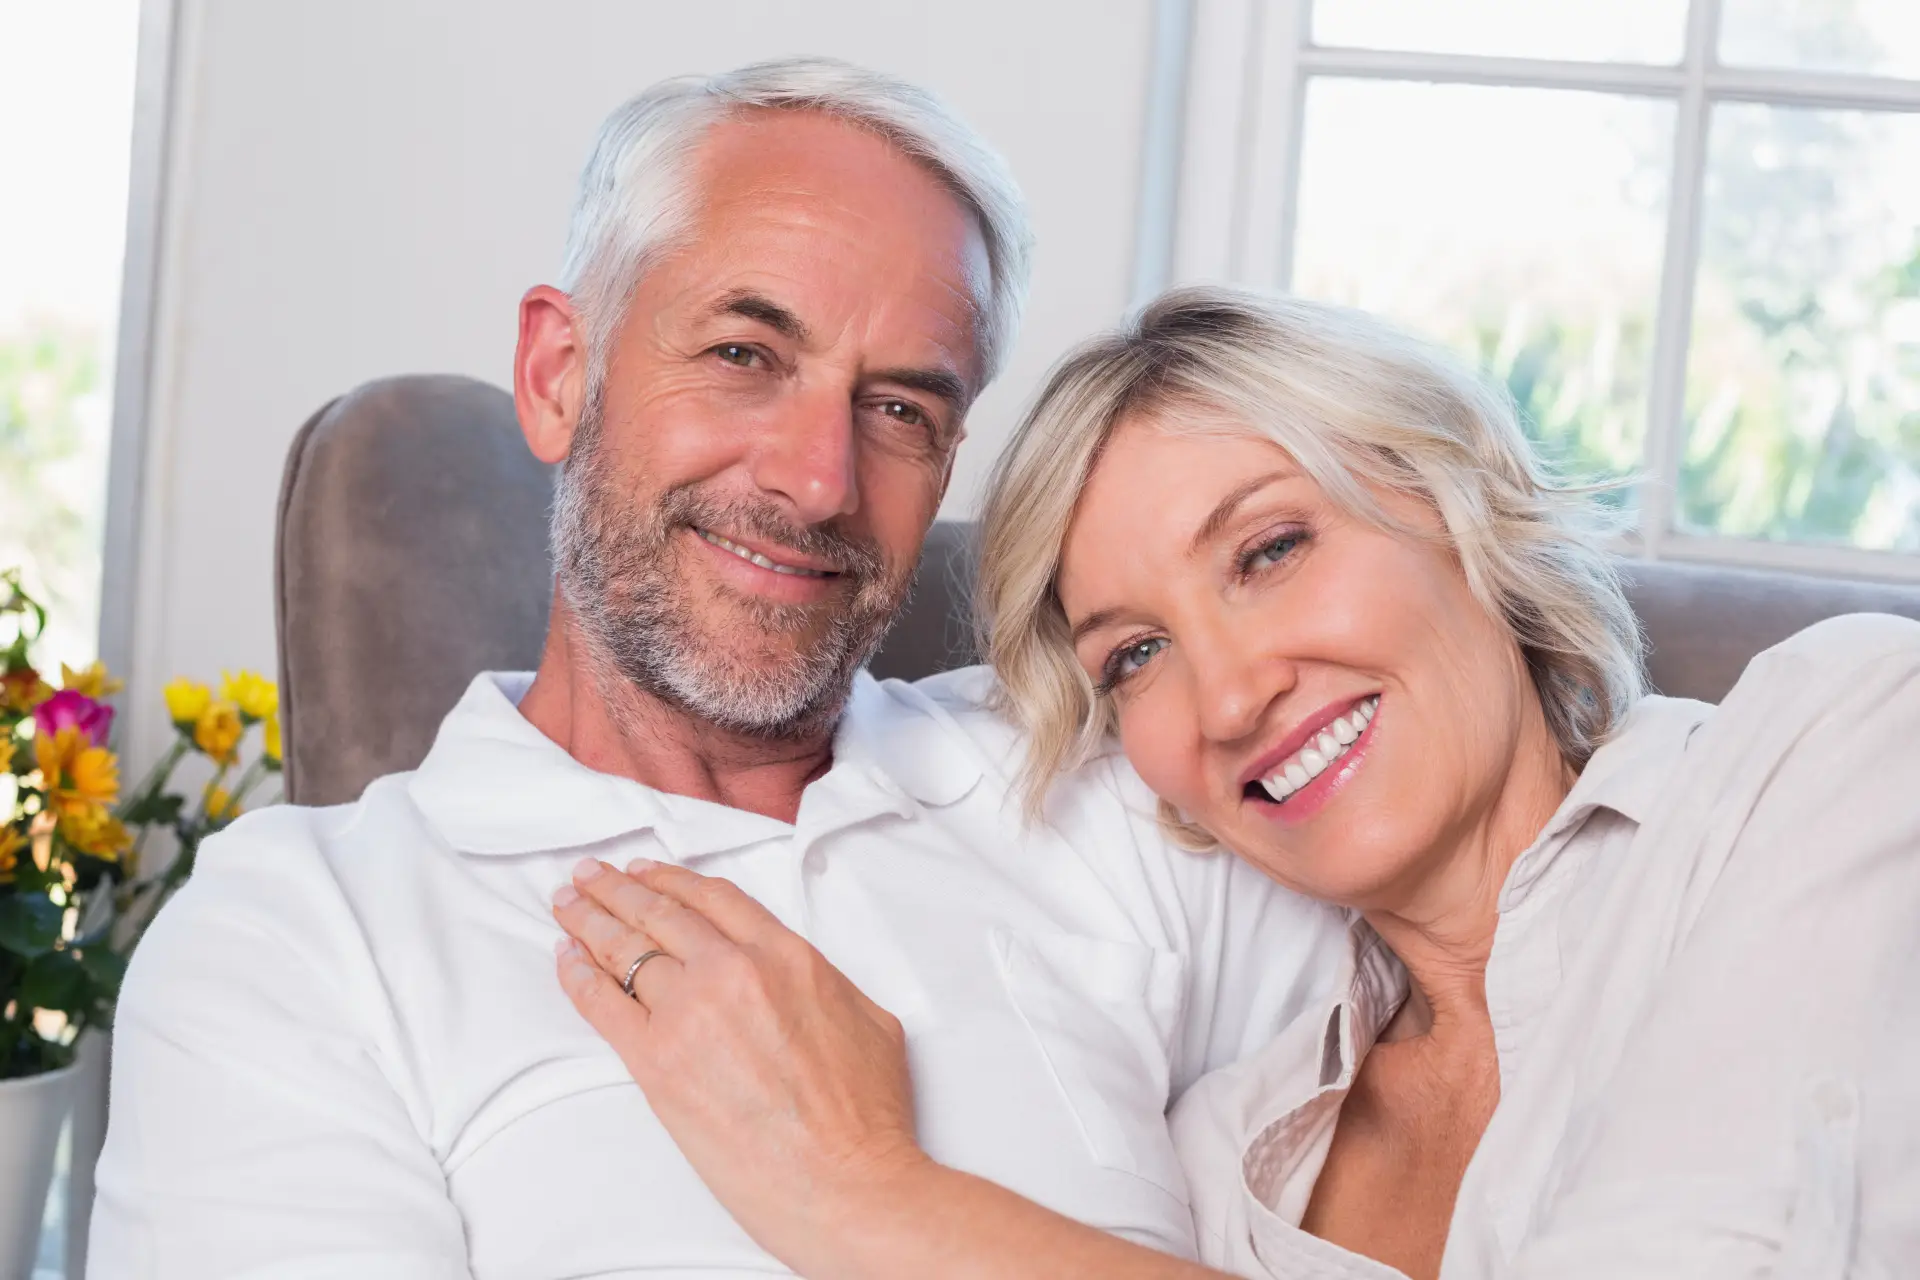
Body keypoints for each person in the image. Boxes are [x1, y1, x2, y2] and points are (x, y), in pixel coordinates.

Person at [89, 69, 1349, 1278]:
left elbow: (1504, 1038)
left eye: (901, 408)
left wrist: (865, 1188)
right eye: (746, 353)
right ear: (555, 376)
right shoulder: (303, 931)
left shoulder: (1106, 788)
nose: (818, 480)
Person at [553, 286, 1920, 1279]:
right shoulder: (1222, 1161)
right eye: (1136, 654)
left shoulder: (1830, 747)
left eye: (1269, 550)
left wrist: (865, 1192)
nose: (1230, 696)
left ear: (1456, 508)